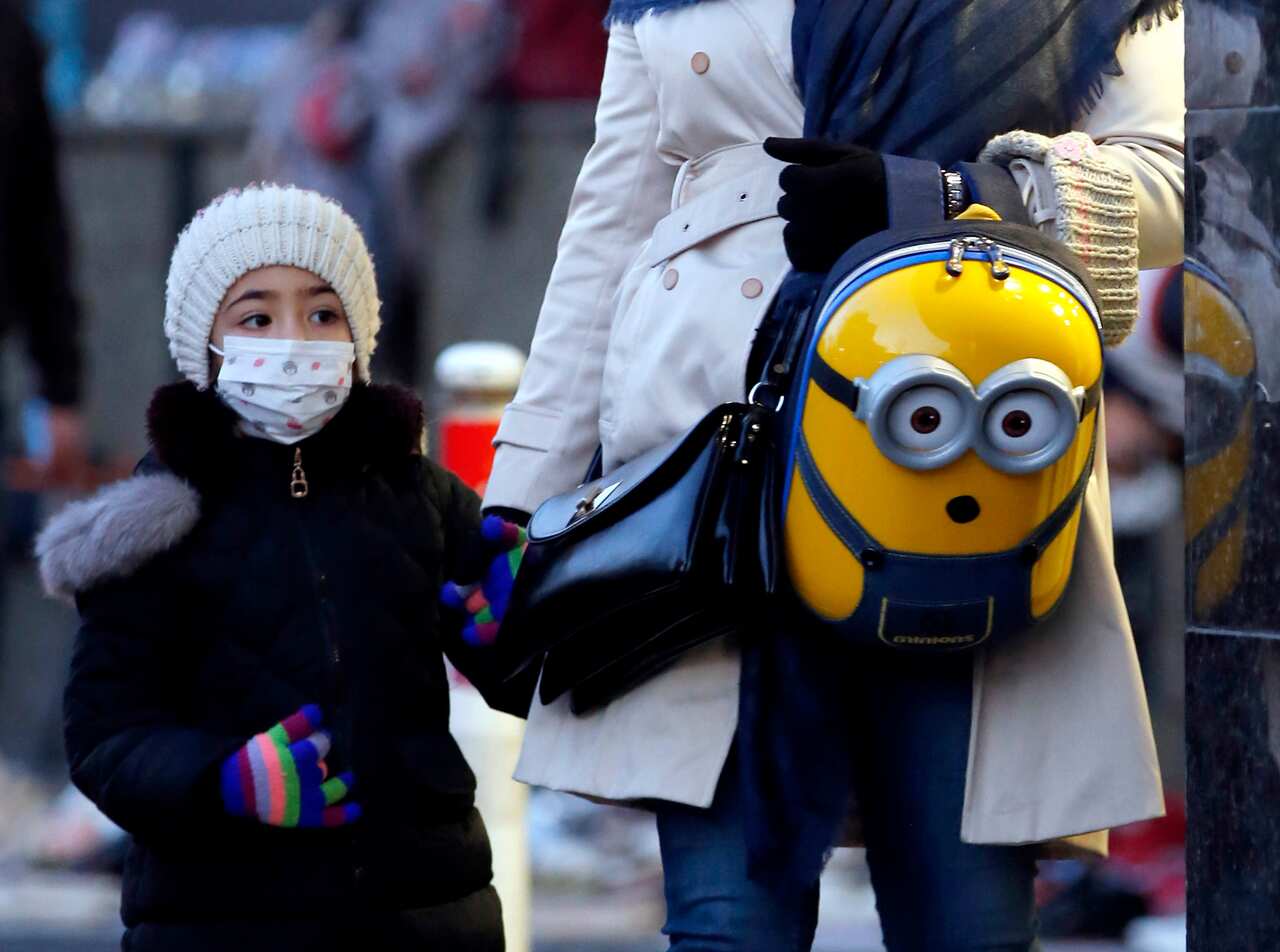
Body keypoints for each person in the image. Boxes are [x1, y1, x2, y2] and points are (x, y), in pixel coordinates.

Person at [479, 1, 1185, 949]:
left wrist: (942, 194)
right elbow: (610, 222)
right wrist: (522, 499)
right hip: (714, 472)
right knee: (728, 927)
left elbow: (1176, 182)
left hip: (962, 461)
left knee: (965, 925)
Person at [35, 185, 517, 952]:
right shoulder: (156, 522)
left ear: (359, 334)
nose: (295, 341)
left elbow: (532, 679)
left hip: (427, 914)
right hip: (218, 921)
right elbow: (104, 737)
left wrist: (516, 623)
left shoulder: (418, 494)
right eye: (257, 318)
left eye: (323, 314)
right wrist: (223, 779)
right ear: (205, 345)